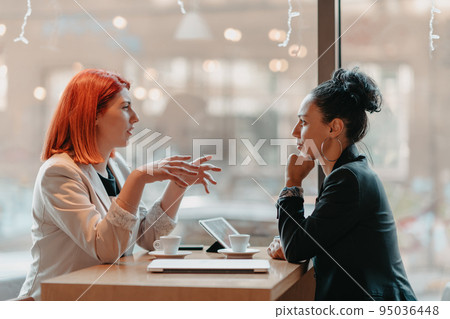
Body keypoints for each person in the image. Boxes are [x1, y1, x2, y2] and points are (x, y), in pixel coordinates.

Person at [19, 69, 220, 300]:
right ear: (93, 114)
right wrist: (139, 178)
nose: (135, 117)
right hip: (59, 301)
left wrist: (178, 184)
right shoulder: (59, 173)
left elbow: (147, 237)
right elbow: (106, 249)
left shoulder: (116, 166)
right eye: (125, 107)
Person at [267, 68, 416, 301]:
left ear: (334, 127)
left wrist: (292, 184)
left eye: (303, 122)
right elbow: (304, 243)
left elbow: (297, 249)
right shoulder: (348, 173)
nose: (294, 131)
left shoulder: (349, 179)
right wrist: (291, 245)